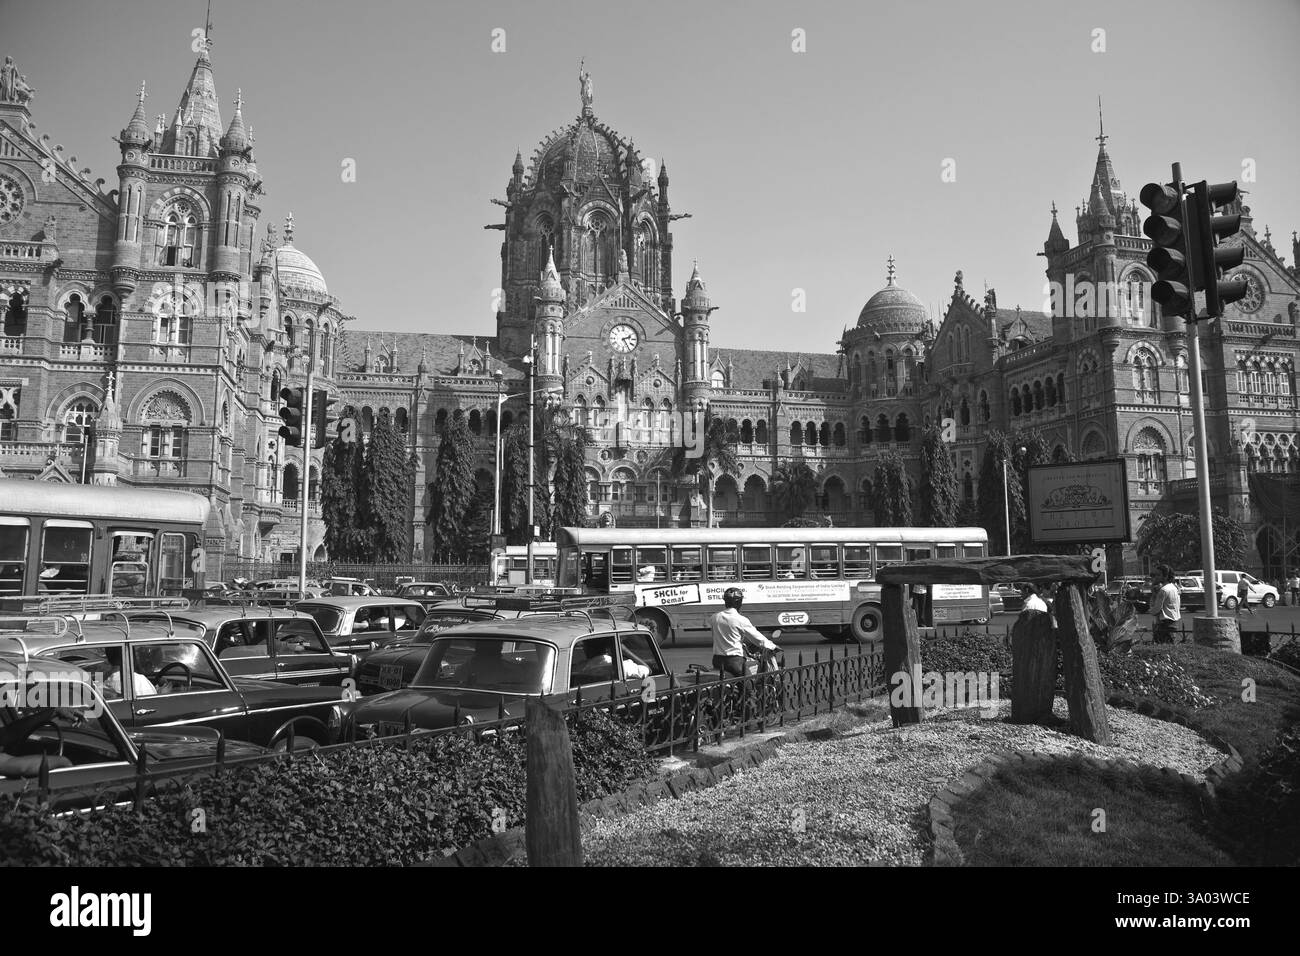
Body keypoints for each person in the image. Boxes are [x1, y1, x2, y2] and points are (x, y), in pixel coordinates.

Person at [709, 587, 778, 678]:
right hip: (734, 662)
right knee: (749, 688)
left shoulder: (714, 617)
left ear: (725, 601)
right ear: (739, 602)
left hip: (717, 660)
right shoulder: (741, 620)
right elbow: (758, 639)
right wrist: (773, 646)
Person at [1149, 564, 1181, 644]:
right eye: (1155, 575)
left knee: (1163, 651)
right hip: (1174, 623)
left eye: (1159, 575)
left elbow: (1156, 610)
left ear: (1165, 576)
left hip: (1165, 624)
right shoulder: (1173, 587)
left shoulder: (1163, 590)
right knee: (1171, 649)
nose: (1156, 577)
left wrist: (1153, 596)